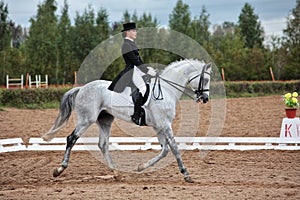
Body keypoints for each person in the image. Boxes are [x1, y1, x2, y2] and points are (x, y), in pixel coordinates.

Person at [108, 22, 156, 125]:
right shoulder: (126, 45)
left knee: (151, 84)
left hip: (137, 70)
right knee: (142, 89)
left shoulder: (131, 43)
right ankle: (136, 115)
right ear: (127, 32)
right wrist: (147, 71)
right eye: (133, 31)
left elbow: (140, 60)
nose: (136, 32)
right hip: (131, 71)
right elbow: (135, 61)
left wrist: (148, 68)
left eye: (135, 30)